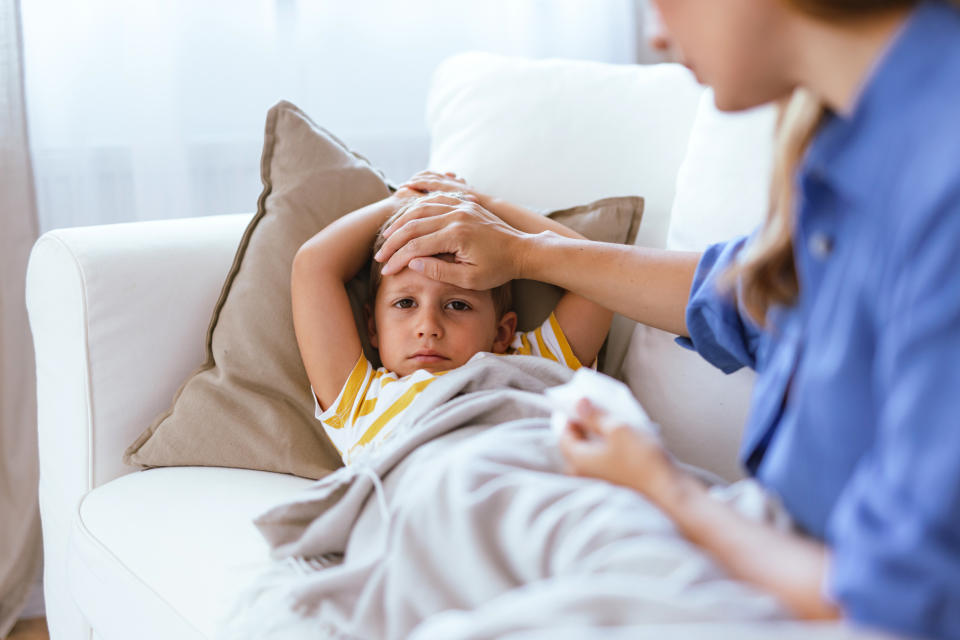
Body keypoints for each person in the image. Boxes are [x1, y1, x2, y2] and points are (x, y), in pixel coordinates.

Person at [371, 1, 960, 638]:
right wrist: (521, 250)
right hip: (773, 545)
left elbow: (894, 603)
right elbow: (749, 295)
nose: (653, 33)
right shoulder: (849, 134)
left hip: (827, 591)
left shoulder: (937, 178)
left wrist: (664, 488)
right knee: (452, 502)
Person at [291, 183, 611, 464]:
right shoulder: (359, 401)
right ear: (372, 328)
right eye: (405, 303)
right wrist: (401, 204)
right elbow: (312, 265)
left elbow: (600, 278)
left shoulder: (528, 360)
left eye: (457, 305)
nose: (428, 326)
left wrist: (485, 207)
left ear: (502, 333)